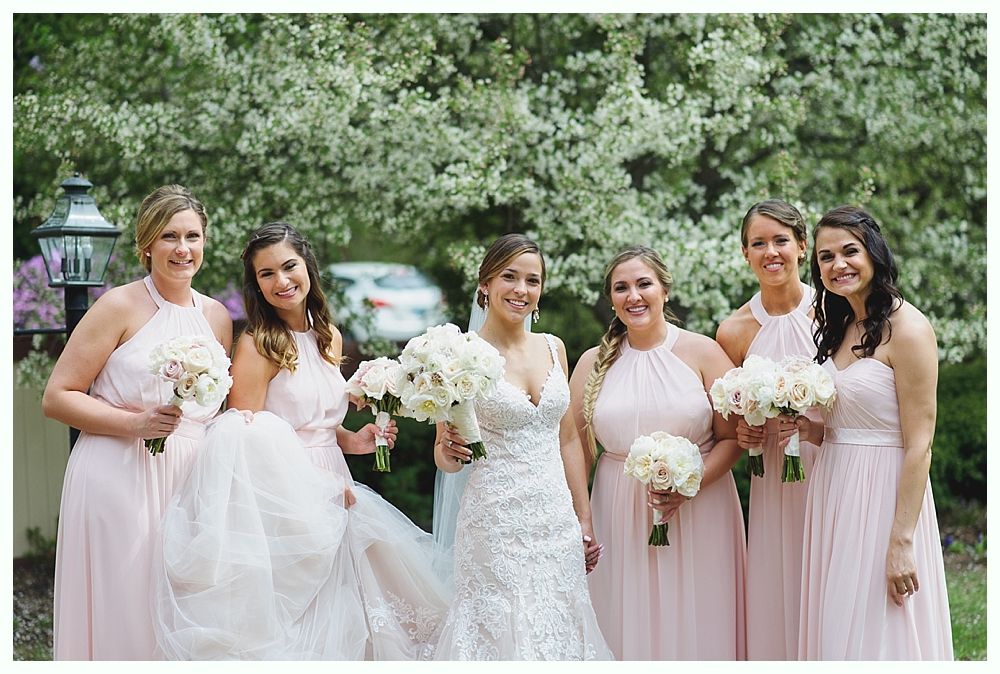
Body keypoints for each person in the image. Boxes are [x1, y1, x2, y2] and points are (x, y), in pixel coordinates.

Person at [153, 221, 452, 660]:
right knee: (306, 623)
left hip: (338, 486)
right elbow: (242, 439)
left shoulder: (327, 336)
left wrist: (357, 439)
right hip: (286, 504)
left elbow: (320, 429)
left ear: (308, 267)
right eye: (266, 274)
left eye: (289, 266)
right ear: (255, 285)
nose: (281, 281)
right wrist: (314, 492)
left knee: (364, 615)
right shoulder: (258, 345)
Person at [43, 185, 233, 660]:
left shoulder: (217, 316)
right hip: (119, 474)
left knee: (186, 609)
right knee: (128, 607)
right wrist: (136, 425)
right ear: (147, 243)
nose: (182, 249)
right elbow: (57, 397)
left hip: (190, 479)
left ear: (205, 241)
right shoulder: (118, 306)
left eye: (192, 236)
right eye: (169, 236)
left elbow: (220, 413)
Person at [430, 233, 612, 660]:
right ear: (485, 283)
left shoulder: (554, 347)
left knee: (559, 624)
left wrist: (582, 518)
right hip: (495, 519)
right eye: (509, 277)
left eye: (532, 280)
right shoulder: (455, 355)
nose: (521, 289)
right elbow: (444, 455)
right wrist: (451, 452)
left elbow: (567, 437)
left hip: (554, 518)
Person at [569, 245, 747, 660]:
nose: (634, 296)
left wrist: (691, 483)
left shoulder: (703, 352)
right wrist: (582, 519)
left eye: (643, 284)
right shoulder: (591, 364)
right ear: (611, 299)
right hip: (618, 511)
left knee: (701, 616)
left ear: (664, 290)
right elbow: (575, 450)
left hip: (702, 507)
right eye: (621, 287)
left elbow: (734, 437)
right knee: (623, 619)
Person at [796, 206, 953, 659]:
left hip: (884, 492)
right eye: (826, 257)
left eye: (850, 251)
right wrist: (809, 428)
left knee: (876, 621)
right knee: (838, 612)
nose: (837, 264)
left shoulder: (909, 329)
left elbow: (920, 443)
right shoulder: (840, 326)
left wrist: (902, 539)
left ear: (874, 254)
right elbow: (848, 419)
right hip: (834, 486)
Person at [714, 199, 818, 660]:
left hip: (830, 461)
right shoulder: (734, 330)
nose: (770, 252)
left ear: (801, 246)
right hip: (775, 473)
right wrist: (745, 434)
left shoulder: (833, 312)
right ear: (745, 253)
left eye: (781, 240)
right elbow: (732, 421)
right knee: (782, 575)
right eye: (759, 243)